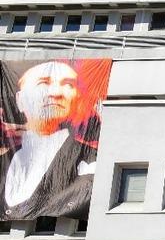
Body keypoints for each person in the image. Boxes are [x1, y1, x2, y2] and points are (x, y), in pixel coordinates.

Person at [0, 60, 104, 219]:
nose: (56, 93)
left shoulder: (95, 157)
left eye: (68, 85)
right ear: (20, 100)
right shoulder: (5, 156)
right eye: (43, 83)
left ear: (77, 99)